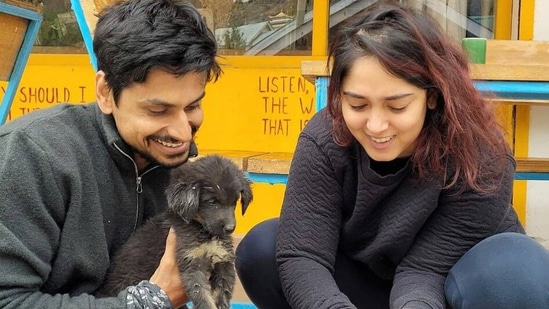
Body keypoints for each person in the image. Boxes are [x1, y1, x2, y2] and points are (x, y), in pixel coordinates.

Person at [235, 2, 549, 309]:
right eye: (357, 105)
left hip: (456, 282)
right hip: (370, 280)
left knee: (517, 272)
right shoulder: (324, 140)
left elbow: (425, 272)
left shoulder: (481, 154)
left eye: (397, 106)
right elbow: (302, 254)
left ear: (432, 96)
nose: (375, 125)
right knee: (263, 249)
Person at [0, 0, 221, 308]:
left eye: (193, 106)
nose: (183, 133)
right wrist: (151, 301)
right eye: (158, 110)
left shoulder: (174, 169)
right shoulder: (32, 155)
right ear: (105, 92)